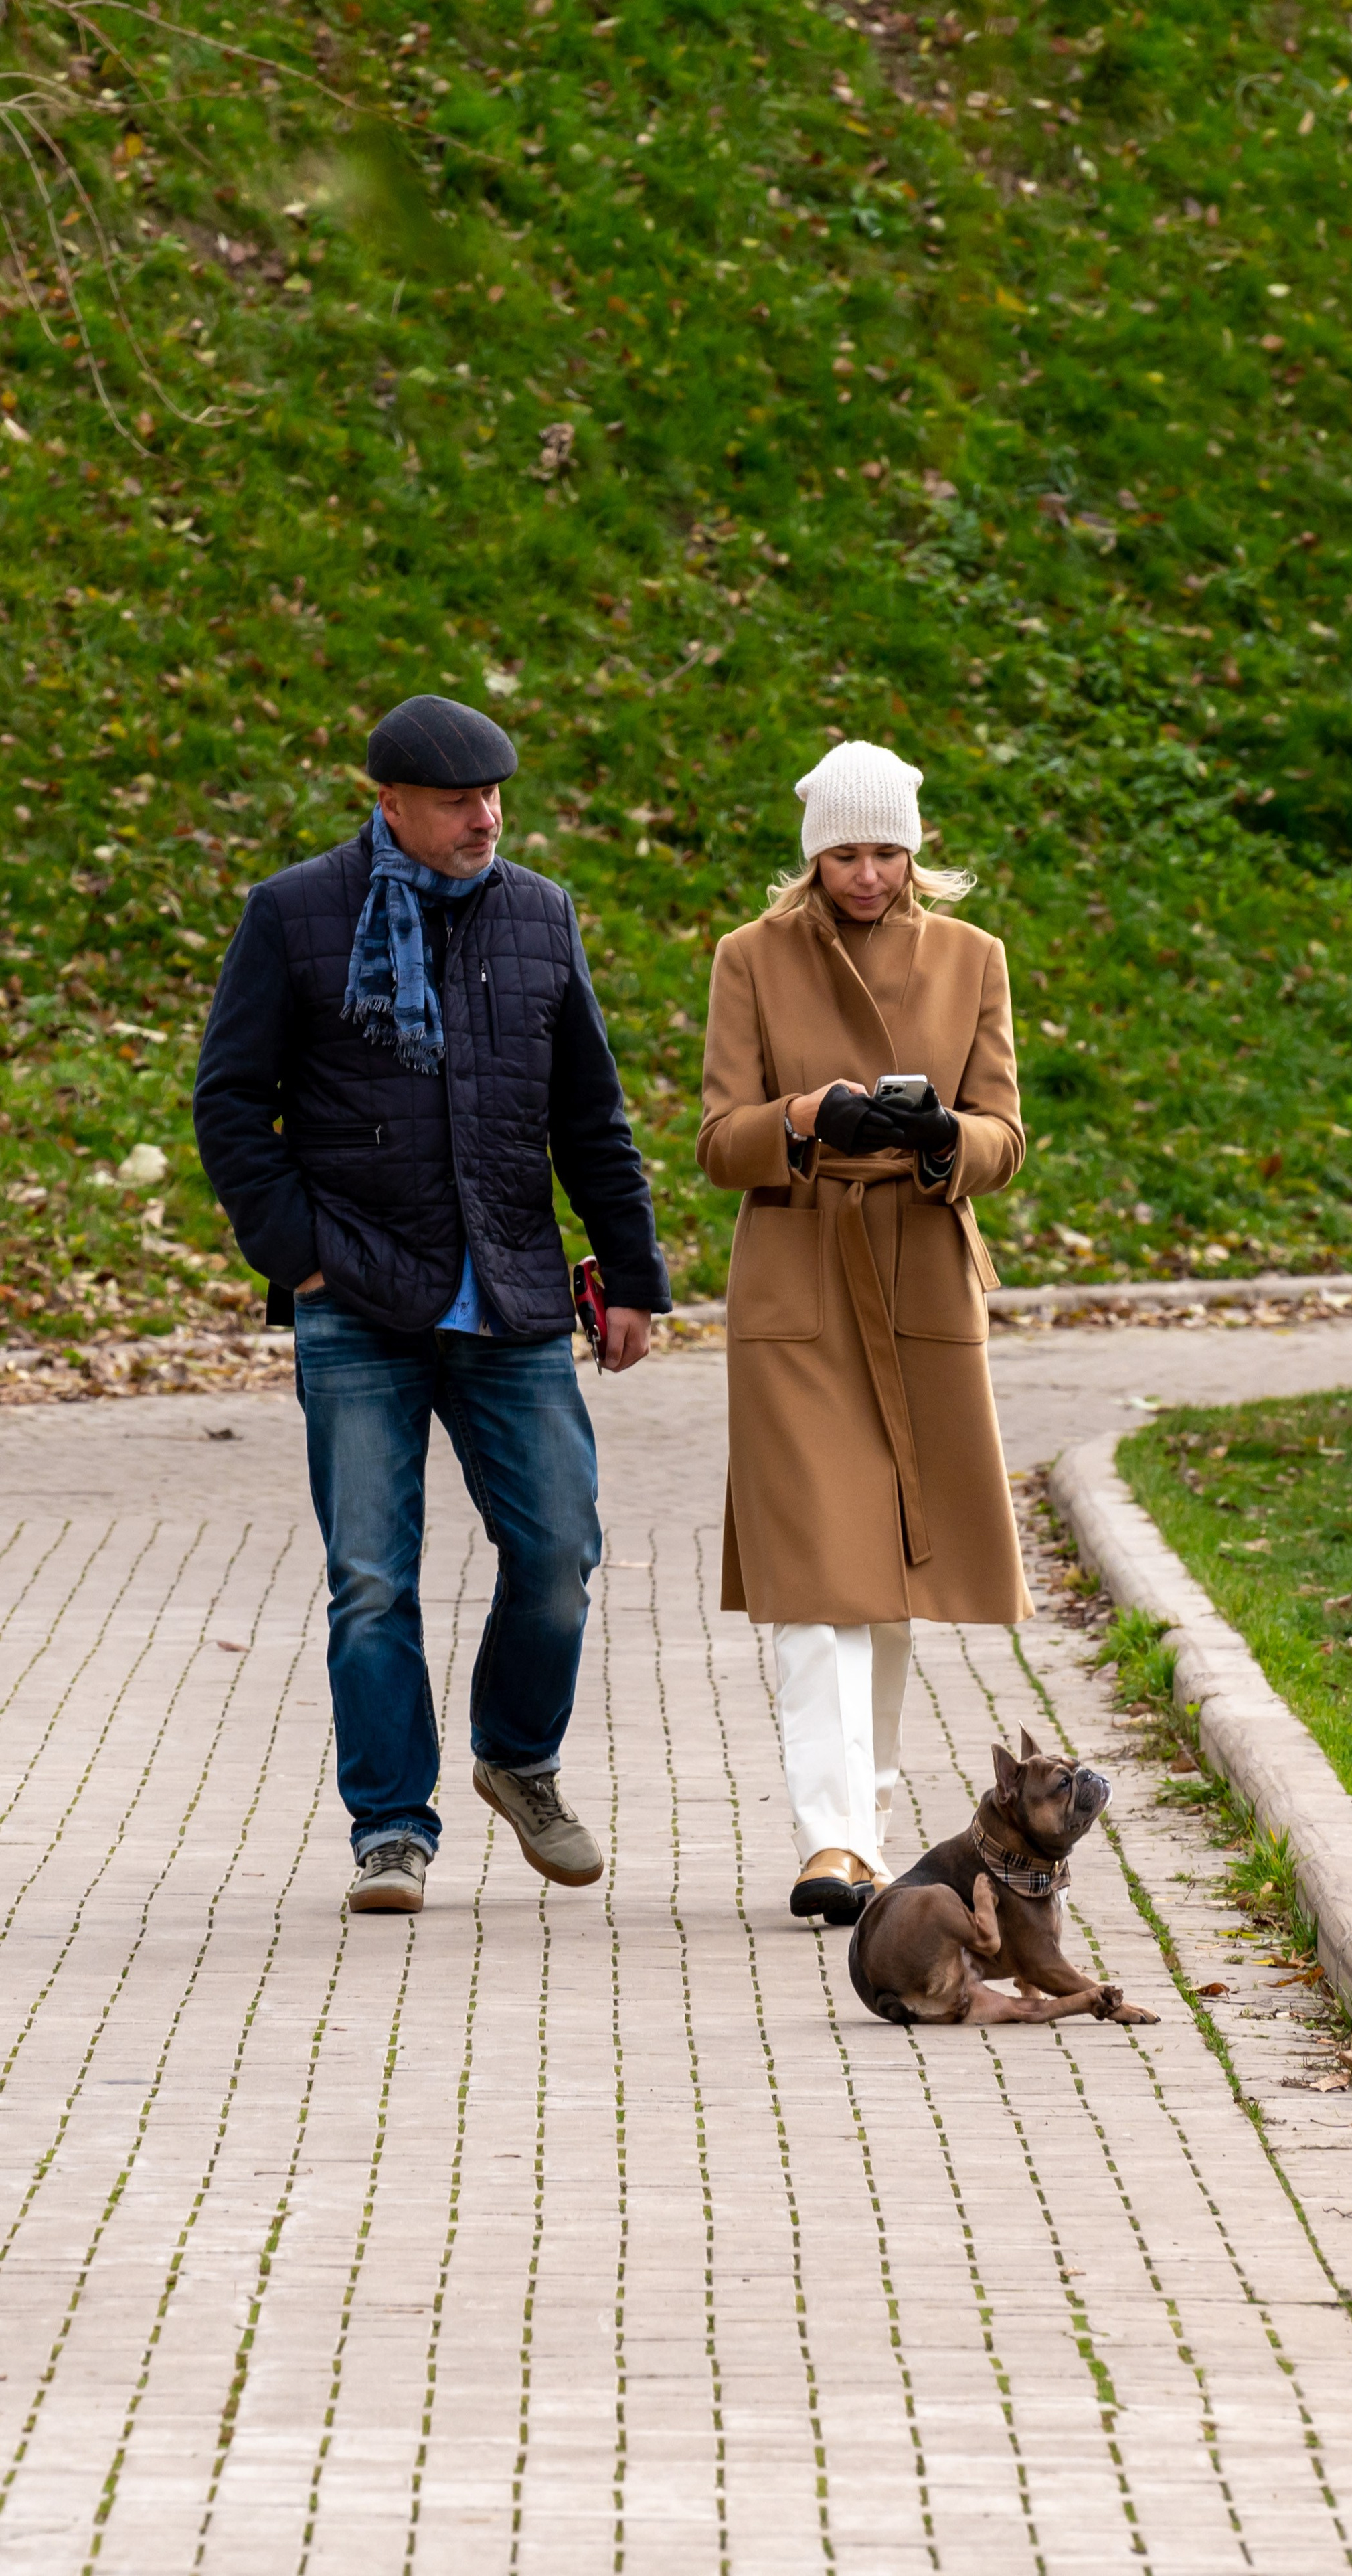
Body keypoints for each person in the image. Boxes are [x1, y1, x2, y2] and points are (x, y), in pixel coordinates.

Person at [194, 696, 669, 1915]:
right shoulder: (294, 913)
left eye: (497, 795)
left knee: (560, 1550)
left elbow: (590, 1120)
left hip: (508, 1292)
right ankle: (391, 1828)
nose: (486, 817)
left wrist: (629, 1278)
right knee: (371, 1579)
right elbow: (231, 1105)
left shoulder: (539, 913)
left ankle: (517, 1757)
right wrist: (298, 1258)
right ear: (391, 804)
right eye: (460, 801)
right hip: (356, 1293)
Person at [697, 738, 1033, 1925]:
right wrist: (804, 1116)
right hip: (798, 1280)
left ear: (917, 849)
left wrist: (946, 1139)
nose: (870, 874)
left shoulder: (973, 959)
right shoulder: (750, 959)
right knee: (813, 1576)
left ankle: (867, 1827)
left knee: (887, 1577)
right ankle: (832, 1840)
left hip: (924, 1279)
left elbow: (1005, 1130)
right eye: (846, 852)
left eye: (889, 850)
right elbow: (717, 1140)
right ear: (812, 854)